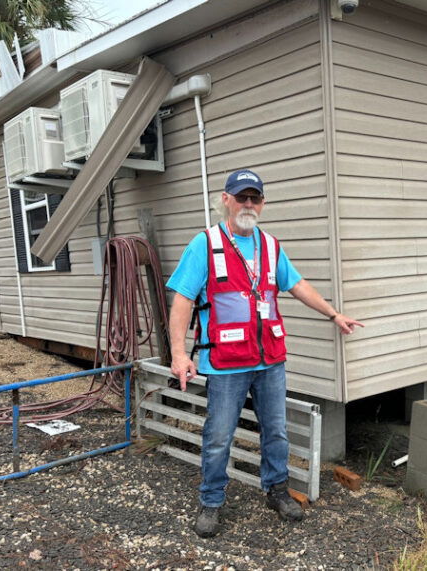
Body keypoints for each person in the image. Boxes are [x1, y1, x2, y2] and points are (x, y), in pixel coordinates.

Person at [167, 169, 363, 538]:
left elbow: (297, 284)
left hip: (269, 360)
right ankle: (211, 501)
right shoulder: (204, 244)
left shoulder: (271, 246)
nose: (248, 204)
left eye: (255, 198)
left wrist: (333, 313)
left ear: (263, 204)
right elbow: (182, 300)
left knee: (276, 432)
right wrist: (179, 354)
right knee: (219, 436)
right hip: (225, 364)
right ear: (225, 200)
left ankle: (276, 490)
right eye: (241, 197)